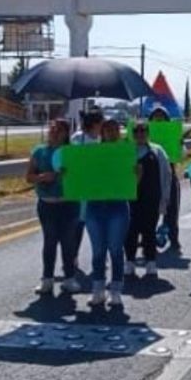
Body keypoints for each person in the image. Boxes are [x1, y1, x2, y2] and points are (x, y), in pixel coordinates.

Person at [26, 119, 82, 295]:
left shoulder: (73, 152)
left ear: (66, 133)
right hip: (47, 204)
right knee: (49, 241)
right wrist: (43, 177)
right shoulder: (39, 151)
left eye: (58, 130)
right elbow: (29, 176)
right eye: (51, 130)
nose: (54, 133)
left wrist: (71, 172)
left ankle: (69, 278)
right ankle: (47, 279)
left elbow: (84, 175)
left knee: (68, 242)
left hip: (69, 203)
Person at [83, 119, 131, 307]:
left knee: (116, 250)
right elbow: (83, 176)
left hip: (117, 206)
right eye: (106, 129)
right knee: (98, 251)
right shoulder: (91, 152)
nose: (110, 133)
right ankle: (98, 289)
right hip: (95, 206)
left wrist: (138, 172)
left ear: (119, 132)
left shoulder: (125, 152)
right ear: (101, 132)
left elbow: (133, 182)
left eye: (114, 129)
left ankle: (116, 290)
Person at [124, 121, 171, 280]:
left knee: (149, 231)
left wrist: (164, 199)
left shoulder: (158, 151)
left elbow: (166, 175)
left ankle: (150, 261)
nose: (139, 134)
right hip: (130, 199)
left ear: (148, 133)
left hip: (151, 199)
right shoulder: (126, 152)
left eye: (143, 130)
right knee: (130, 231)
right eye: (136, 131)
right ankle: (129, 261)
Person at [71, 107, 104, 275]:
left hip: (98, 190)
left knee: (98, 226)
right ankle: (73, 256)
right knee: (79, 224)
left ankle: (100, 258)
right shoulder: (78, 139)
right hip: (81, 190)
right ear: (96, 123)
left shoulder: (102, 140)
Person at [149, 106, 183, 253]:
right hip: (151, 177)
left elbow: (181, 155)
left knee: (172, 210)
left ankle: (174, 239)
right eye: (155, 117)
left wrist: (179, 144)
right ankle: (149, 241)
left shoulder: (173, 133)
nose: (158, 119)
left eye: (161, 116)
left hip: (169, 175)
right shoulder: (144, 134)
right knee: (151, 212)